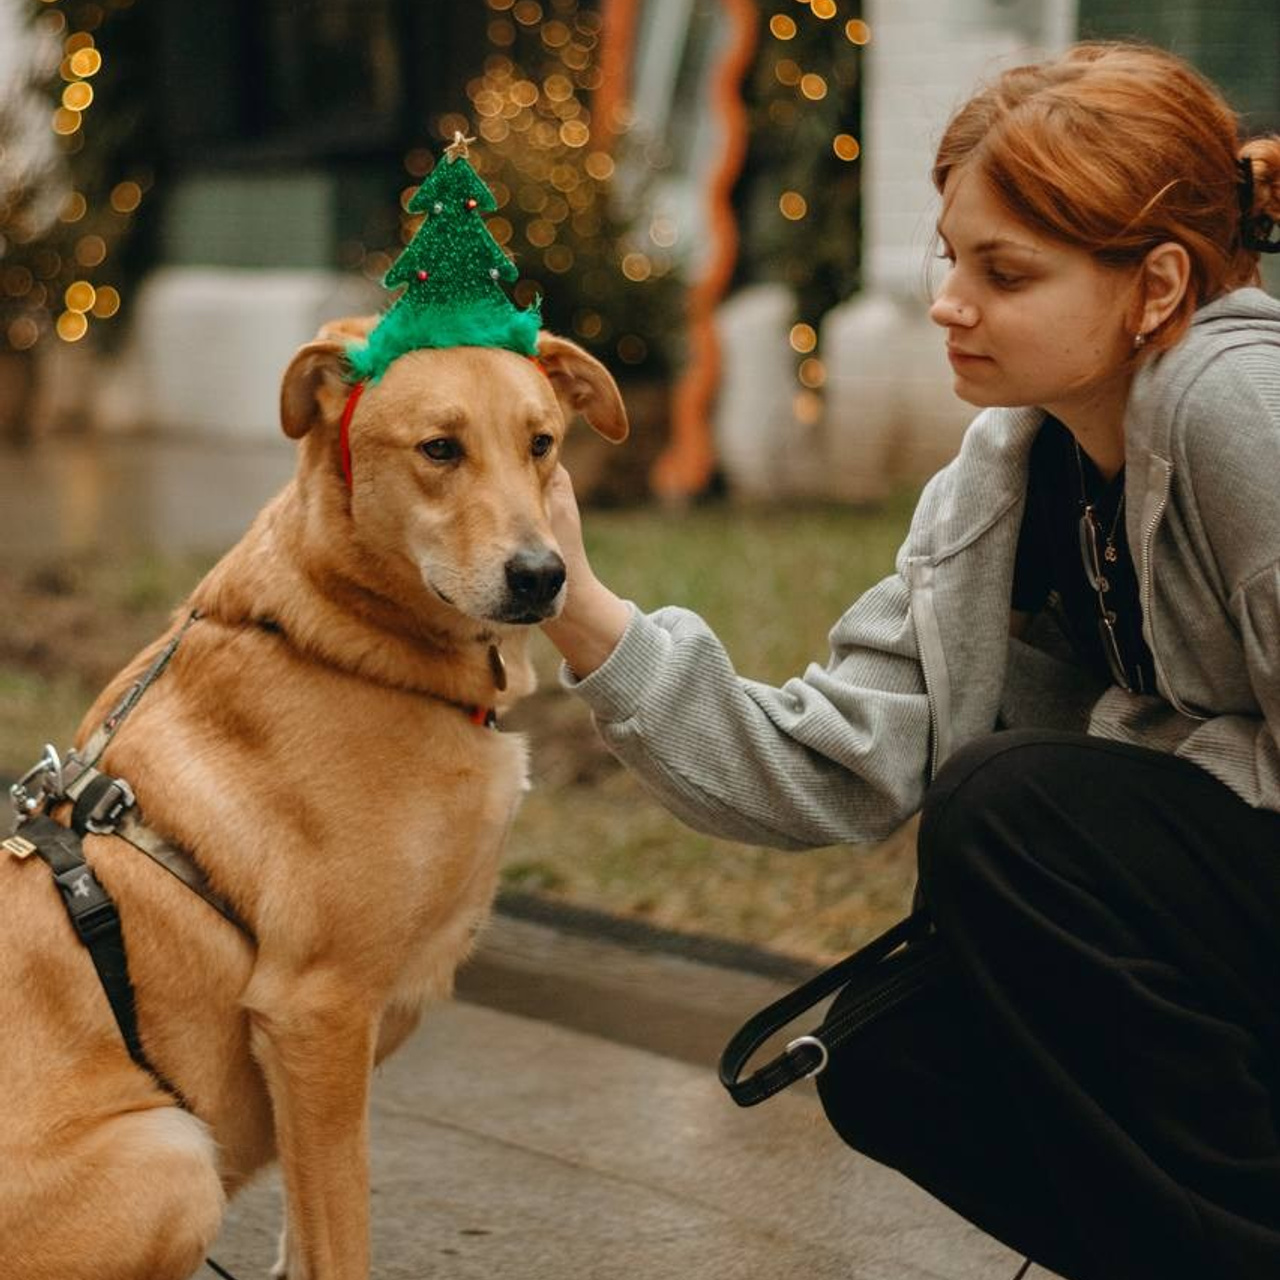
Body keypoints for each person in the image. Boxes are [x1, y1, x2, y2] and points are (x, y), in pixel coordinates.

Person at [539, 40, 1280, 1280]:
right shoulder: (1014, 471)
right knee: (895, 1060)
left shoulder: (1237, 404)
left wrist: (1120, 761)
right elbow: (834, 764)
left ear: (1154, 284)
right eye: (951, 256)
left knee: (1016, 805)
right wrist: (578, 609)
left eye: (1004, 271)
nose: (949, 300)